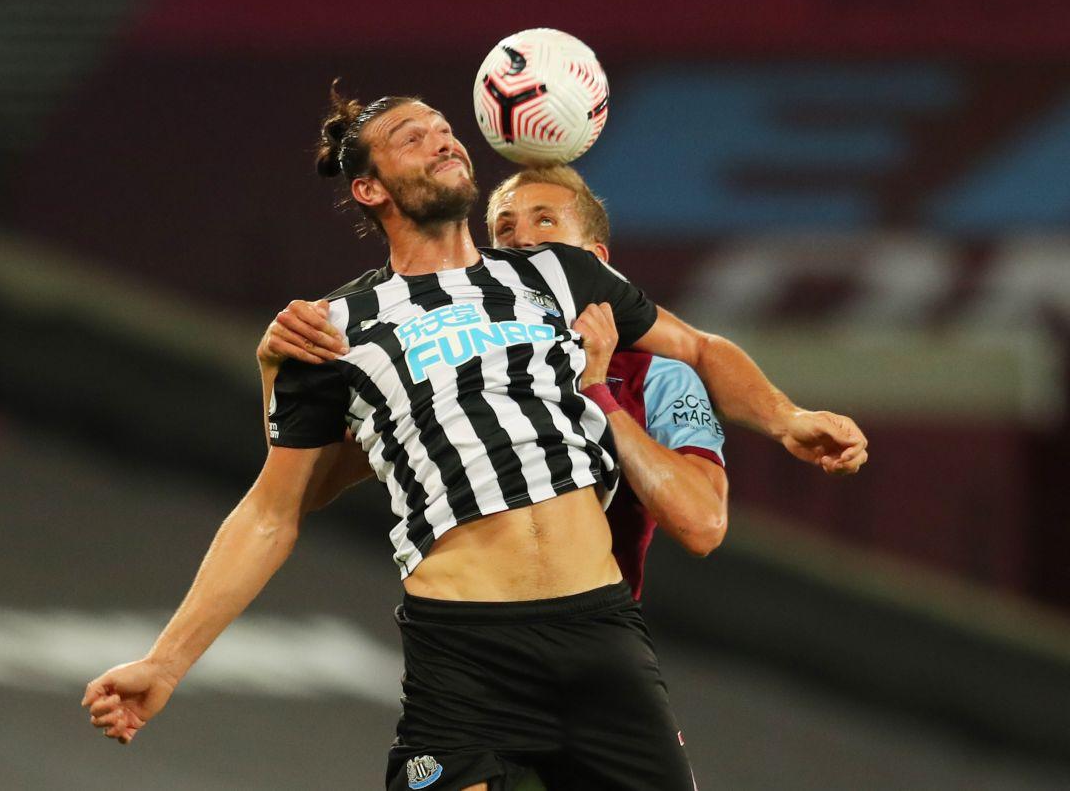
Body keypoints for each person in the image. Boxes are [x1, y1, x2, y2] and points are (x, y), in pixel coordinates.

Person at [83, 87, 867, 791]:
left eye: (446, 129)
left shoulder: (556, 276)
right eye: (412, 137)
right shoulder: (332, 330)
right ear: (370, 188)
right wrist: (166, 660)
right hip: (465, 655)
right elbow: (275, 508)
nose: (445, 140)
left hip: (599, 637)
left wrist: (787, 415)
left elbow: (699, 347)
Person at [270, 164, 738, 598]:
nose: (522, 242)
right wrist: (278, 372)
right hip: (466, 623)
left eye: (546, 224)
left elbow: (702, 526)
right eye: (505, 229)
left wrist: (596, 390)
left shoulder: (659, 377)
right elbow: (303, 492)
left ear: (596, 264)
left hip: (591, 636)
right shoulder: (443, 357)